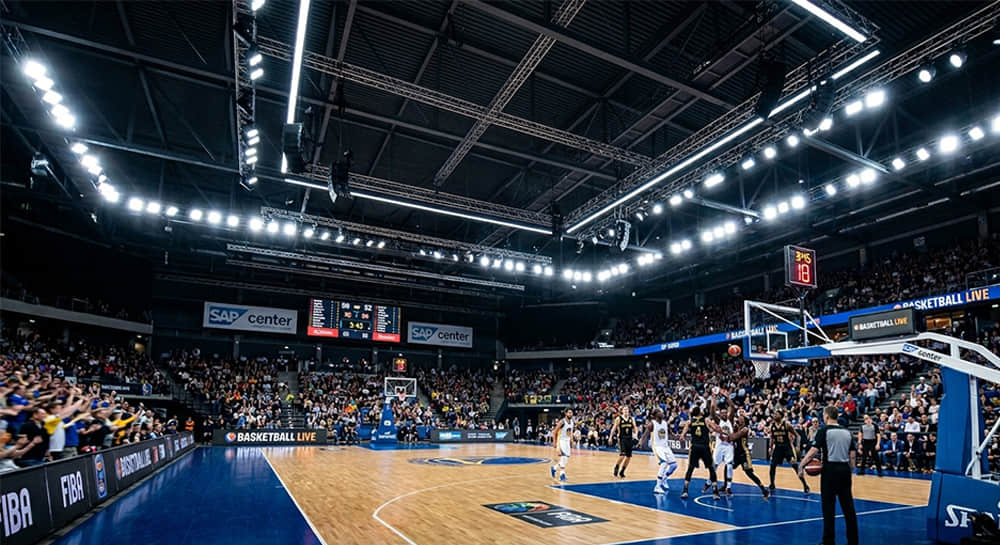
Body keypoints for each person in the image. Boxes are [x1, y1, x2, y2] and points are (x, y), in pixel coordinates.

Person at [798, 406, 858, 545]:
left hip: (830, 469)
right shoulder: (847, 432)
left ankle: (829, 541)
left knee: (828, 508)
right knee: (848, 508)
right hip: (844, 470)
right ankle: (853, 541)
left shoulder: (824, 430)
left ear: (826, 416)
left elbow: (813, 451)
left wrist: (802, 464)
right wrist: (849, 470)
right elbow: (853, 456)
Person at [680, 404, 720, 500]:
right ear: (700, 412)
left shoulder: (690, 421)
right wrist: (718, 430)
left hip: (695, 447)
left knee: (690, 468)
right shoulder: (706, 420)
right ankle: (715, 491)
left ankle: (685, 491)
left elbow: (684, 431)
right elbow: (716, 428)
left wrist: (682, 435)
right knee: (711, 468)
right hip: (705, 447)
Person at [768, 410, 810, 494]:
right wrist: (770, 447)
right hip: (778, 448)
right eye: (774, 414)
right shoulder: (772, 426)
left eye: (776, 414)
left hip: (787, 447)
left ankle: (805, 485)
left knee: (795, 465)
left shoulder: (787, 425)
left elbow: (797, 436)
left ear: (781, 416)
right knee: (772, 466)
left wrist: (798, 446)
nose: (774, 415)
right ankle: (772, 484)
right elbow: (772, 438)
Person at [730, 413, 770, 499]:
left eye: (741, 417)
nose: (739, 418)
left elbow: (734, 437)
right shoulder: (736, 427)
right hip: (737, 454)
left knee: (749, 473)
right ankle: (726, 486)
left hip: (744, 454)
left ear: (744, 421)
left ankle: (763, 489)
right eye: (738, 417)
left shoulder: (745, 429)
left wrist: (726, 435)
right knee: (728, 467)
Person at [639, 408, 678, 494]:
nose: (662, 413)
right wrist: (641, 441)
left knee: (674, 465)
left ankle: (664, 478)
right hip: (657, 447)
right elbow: (645, 434)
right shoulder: (651, 424)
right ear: (655, 415)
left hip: (666, 446)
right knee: (664, 463)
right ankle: (657, 486)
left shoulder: (665, 423)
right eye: (660, 412)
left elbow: (669, 431)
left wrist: (674, 435)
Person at [711, 393, 735, 496]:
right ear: (720, 414)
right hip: (720, 445)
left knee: (729, 465)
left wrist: (727, 397)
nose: (724, 414)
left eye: (726, 413)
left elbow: (732, 407)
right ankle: (712, 484)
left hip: (729, 445)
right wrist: (713, 398)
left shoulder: (730, 420)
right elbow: (712, 411)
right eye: (723, 413)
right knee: (715, 466)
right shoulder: (718, 420)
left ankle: (728, 487)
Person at [610, 405, 637, 479]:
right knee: (622, 455)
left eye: (627, 410)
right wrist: (610, 437)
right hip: (622, 438)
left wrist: (636, 435)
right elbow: (614, 428)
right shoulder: (618, 419)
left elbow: (635, 427)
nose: (626, 411)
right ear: (622, 411)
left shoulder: (632, 419)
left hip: (629, 438)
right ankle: (616, 467)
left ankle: (622, 471)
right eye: (624, 410)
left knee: (628, 457)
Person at [550, 409, 575, 482]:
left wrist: (572, 440)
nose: (571, 414)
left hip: (567, 441)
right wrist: (554, 442)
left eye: (571, 413)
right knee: (564, 457)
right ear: (566, 413)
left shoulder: (572, 422)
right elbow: (555, 432)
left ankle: (554, 468)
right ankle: (562, 475)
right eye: (569, 413)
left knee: (566, 458)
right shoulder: (562, 422)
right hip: (561, 441)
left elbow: (570, 432)